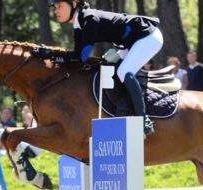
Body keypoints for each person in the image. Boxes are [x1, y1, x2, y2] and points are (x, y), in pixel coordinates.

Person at [45, 0, 162, 137]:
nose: (56, 11)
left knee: (123, 71)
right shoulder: (79, 23)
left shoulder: (90, 19)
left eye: (60, 6)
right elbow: (77, 57)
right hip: (129, 43)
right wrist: (51, 56)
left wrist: (50, 54)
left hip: (147, 36)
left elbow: (81, 56)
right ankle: (122, 114)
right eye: (55, 7)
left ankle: (143, 119)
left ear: (74, 3)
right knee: (110, 69)